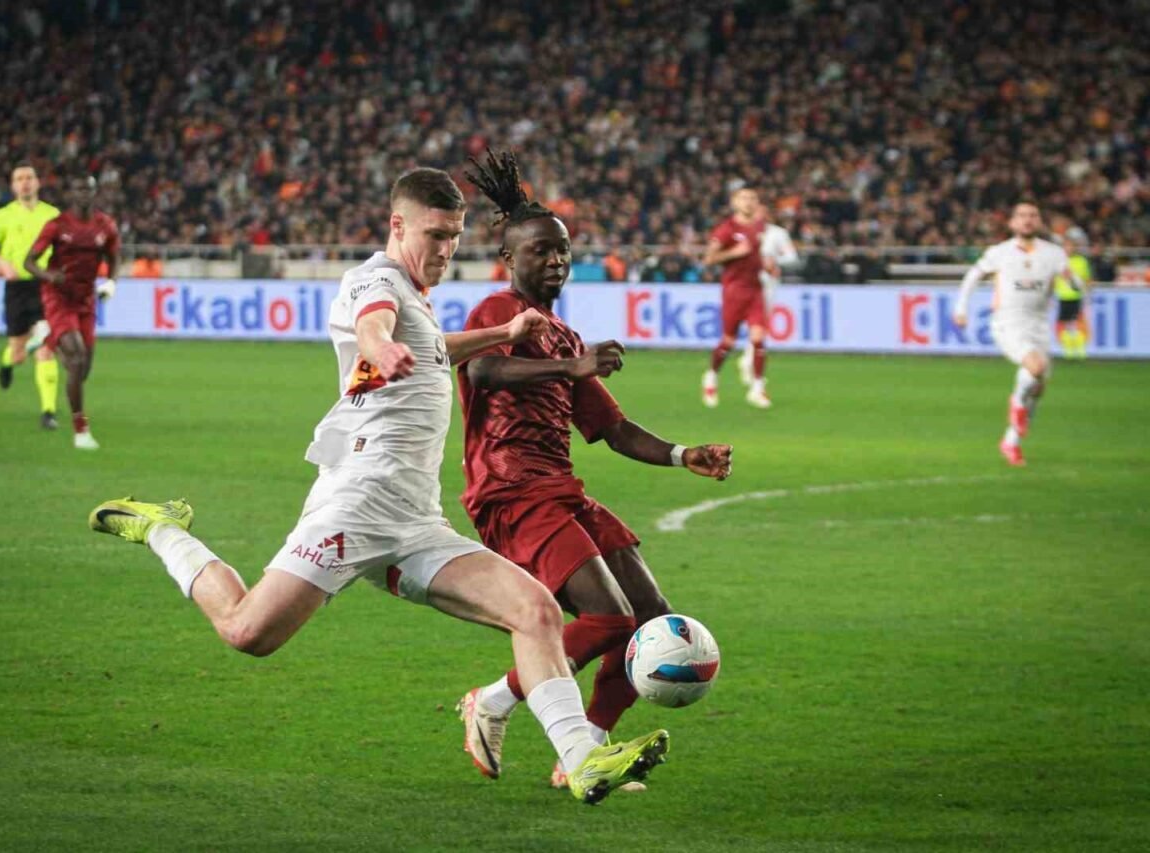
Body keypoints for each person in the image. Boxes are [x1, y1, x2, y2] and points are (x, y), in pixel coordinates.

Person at [86, 167, 670, 805]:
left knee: (536, 612)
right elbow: (375, 324)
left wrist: (500, 335)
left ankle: (583, 762)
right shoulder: (376, 281)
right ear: (398, 225)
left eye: (454, 235)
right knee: (248, 632)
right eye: (434, 235)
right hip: (357, 506)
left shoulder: (418, 297)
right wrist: (380, 348)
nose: (446, 249)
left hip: (417, 519)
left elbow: (434, 347)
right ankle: (163, 530)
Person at [456, 151, 733, 791]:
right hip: (512, 492)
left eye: (563, 250)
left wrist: (682, 454)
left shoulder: (563, 334)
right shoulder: (498, 310)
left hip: (560, 491)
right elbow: (483, 371)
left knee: (650, 616)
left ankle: (584, 749)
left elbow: (611, 428)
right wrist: (570, 366)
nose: (556, 260)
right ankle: (491, 701)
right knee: (608, 619)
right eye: (541, 251)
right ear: (509, 258)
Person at [955, 202, 1087, 466]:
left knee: (1038, 387)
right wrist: (961, 308)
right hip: (1008, 321)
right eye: (1022, 216)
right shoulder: (999, 252)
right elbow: (973, 276)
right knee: (1035, 367)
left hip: (1039, 324)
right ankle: (1015, 403)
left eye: (1033, 216)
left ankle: (1011, 442)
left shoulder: (1054, 254)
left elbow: (1076, 284)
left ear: (1039, 222)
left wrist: (1074, 281)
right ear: (1012, 223)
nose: (1027, 220)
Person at [23, 174, 119, 451]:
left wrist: (111, 282)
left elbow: (114, 257)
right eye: (78, 188)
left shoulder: (106, 225)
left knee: (82, 369)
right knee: (76, 359)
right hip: (58, 296)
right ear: (72, 193)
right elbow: (29, 261)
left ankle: (46, 338)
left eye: (88, 189)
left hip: (86, 298)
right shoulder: (57, 225)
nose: (83, 193)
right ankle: (81, 430)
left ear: (94, 192)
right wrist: (49, 276)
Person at [0, 163, 61, 429]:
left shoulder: (52, 215)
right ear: (13, 186)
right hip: (16, 288)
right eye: (19, 179)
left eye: (29, 177)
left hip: (45, 285)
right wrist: (2, 264)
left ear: (38, 183)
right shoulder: (3, 215)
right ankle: (7, 363)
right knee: (18, 352)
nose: (25, 182)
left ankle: (48, 412)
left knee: (47, 348)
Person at [701, 187, 770, 409]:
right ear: (734, 203)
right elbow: (708, 259)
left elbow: (756, 256)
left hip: (755, 290)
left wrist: (766, 265)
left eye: (752, 198)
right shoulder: (726, 230)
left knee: (758, 339)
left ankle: (757, 389)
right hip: (734, 291)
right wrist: (734, 252)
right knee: (728, 342)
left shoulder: (759, 227)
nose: (748, 202)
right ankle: (711, 376)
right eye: (744, 198)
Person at [739, 204, 799, 388]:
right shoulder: (742, 232)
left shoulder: (778, 233)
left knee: (760, 324)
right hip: (745, 282)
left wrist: (774, 261)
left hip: (767, 284)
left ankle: (749, 362)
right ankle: (748, 362)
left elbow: (792, 257)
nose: (759, 217)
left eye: (762, 213)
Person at [1054, 228, 1092, 359]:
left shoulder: (1081, 261)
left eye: (1070, 246)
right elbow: (1054, 279)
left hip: (1076, 296)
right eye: (1066, 246)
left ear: (1074, 247)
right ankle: (1068, 350)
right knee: (1063, 324)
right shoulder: (1058, 261)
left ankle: (1080, 350)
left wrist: (1087, 292)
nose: (1068, 248)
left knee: (1076, 323)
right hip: (1063, 297)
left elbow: (1086, 279)